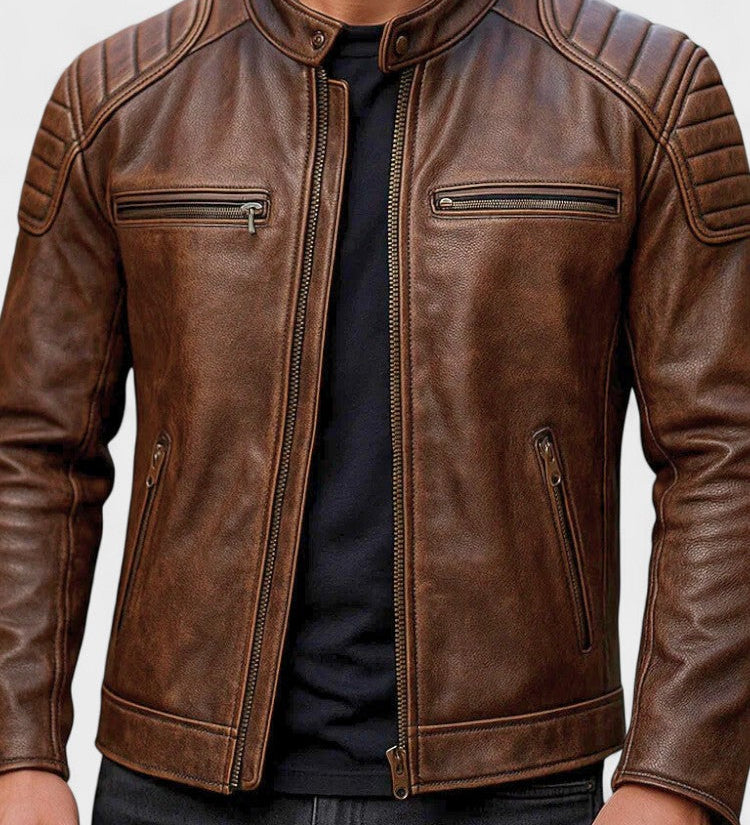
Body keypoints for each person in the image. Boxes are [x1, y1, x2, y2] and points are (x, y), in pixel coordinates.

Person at [0, 0, 748, 822]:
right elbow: (33, 446)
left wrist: (673, 779)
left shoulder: (639, 91)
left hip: (511, 784)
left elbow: (724, 451)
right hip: (175, 785)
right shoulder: (120, 97)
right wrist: (16, 751)